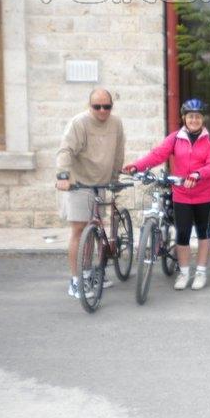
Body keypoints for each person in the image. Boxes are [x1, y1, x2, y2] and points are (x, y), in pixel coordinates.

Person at [123, 98, 210, 291]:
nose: (194, 120)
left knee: (203, 233)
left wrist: (197, 174)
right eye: (190, 116)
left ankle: (200, 272)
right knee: (182, 234)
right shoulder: (176, 137)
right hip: (181, 193)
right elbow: (158, 154)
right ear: (184, 118)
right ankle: (184, 272)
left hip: (205, 194)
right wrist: (137, 165)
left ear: (203, 119)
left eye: (198, 117)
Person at [55, 88, 125, 299]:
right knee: (79, 229)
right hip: (80, 183)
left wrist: (114, 179)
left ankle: (94, 271)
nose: (102, 110)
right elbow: (65, 150)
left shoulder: (116, 123)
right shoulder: (79, 123)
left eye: (107, 106)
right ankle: (77, 279)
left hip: (101, 183)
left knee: (96, 228)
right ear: (90, 106)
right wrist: (63, 176)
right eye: (97, 106)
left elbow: (118, 153)